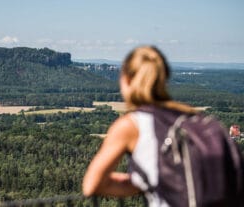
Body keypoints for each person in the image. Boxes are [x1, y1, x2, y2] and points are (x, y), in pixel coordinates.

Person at [82, 46, 205, 205]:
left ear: (126, 80)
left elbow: (91, 185)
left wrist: (141, 182)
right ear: (164, 79)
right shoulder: (195, 119)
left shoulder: (131, 125)